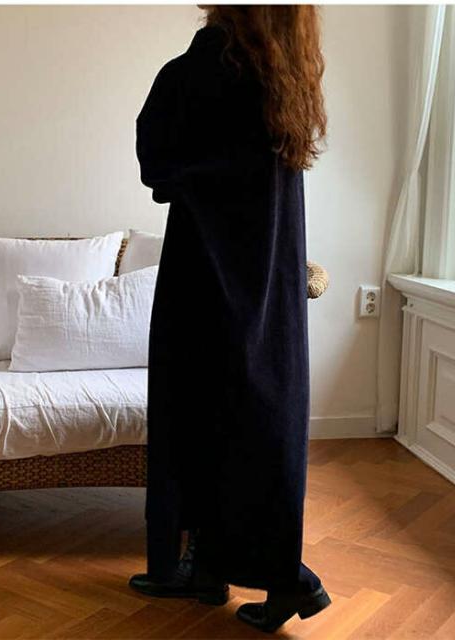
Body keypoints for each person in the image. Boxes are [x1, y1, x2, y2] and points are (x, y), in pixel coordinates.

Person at [129, 5, 330, 632]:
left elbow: (156, 159)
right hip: (269, 279)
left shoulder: (200, 69)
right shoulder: (289, 80)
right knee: (259, 416)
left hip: (205, 275)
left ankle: (269, 576)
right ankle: (219, 572)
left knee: (192, 416)